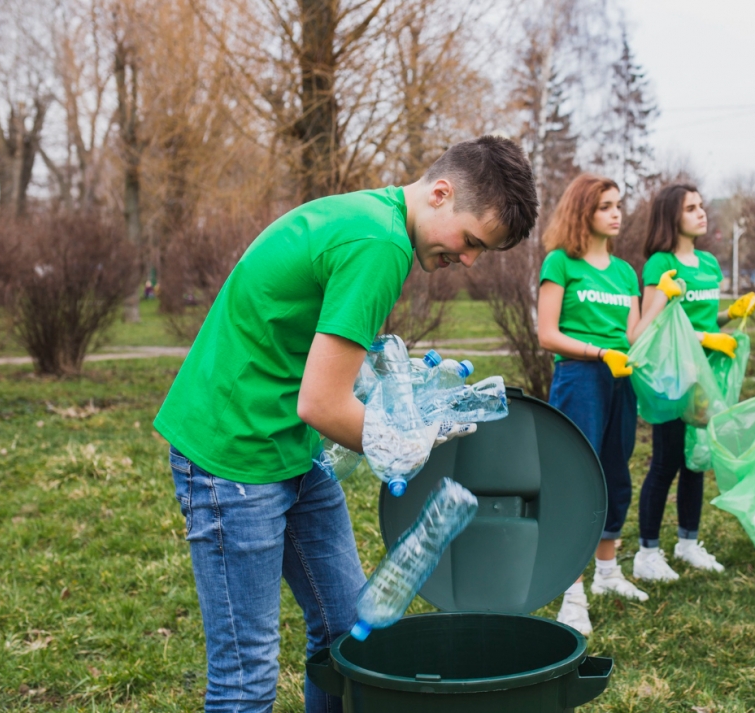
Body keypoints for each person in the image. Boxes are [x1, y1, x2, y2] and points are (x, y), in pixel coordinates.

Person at [153, 136, 538, 712]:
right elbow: (323, 405)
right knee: (246, 673)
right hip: (232, 454)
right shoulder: (378, 243)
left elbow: (323, 370)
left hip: (288, 445)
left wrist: (405, 399)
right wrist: (407, 445)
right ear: (440, 193)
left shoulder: (375, 221)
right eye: (471, 241)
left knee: (351, 632)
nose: (469, 261)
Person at [628, 183, 755, 582]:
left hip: (706, 376)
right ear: (672, 216)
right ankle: (647, 553)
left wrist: (728, 318)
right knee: (665, 460)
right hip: (673, 377)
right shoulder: (660, 264)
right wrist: (706, 338)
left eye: (701, 206)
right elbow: (655, 328)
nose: (701, 213)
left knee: (695, 461)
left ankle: (688, 543)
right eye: (691, 208)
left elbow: (701, 320)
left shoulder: (708, 264)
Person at [536, 173, 644, 637]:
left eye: (619, 204)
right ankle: (571, 591)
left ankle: (608, 573)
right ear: (584, 212)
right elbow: (547, 333)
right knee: (578, 477)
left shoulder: (625, 273)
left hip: (623, 378)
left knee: (617, 472)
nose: (616, 212)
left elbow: (636, 336)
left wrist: (665, 302)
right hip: (581, 377)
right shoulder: (561, 263)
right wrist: (598, 352)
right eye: (605, 206)